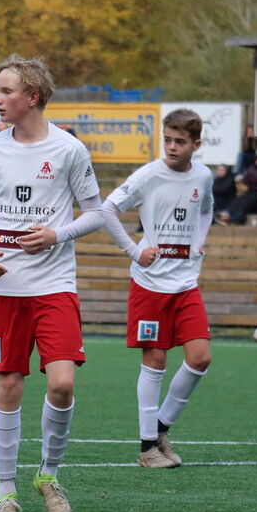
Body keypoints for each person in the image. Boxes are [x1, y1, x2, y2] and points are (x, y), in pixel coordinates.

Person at [0, 54, 103, 512]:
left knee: (62, 384)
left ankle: (48, 475)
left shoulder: (69, 150)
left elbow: (96, 213)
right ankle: (6, 493)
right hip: (5, 288)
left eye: (6, 91)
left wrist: (56, 235)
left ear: (33, 97)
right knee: (8, 386)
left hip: (54, 285)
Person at [100, 108, 214, 469]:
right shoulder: (148, 175)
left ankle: (161, 428)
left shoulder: (204, 176)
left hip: (185, 283)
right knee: (156, 361)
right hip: (150, 284)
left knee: (200, 358)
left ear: (196, 144)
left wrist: (198, 242)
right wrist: (135, 251)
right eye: (167, 140)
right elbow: (107, 210)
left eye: (180, 141)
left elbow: (206, 210)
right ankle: (148, 448)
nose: (172, 147)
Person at [220, 147, 257, 225]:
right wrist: (251, 180)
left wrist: (250, 180)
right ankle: (225, 214)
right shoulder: (252, 168)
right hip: (249, 191)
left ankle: (233, 220)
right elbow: (245, 179)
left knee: (244, 205)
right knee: (236, 201)